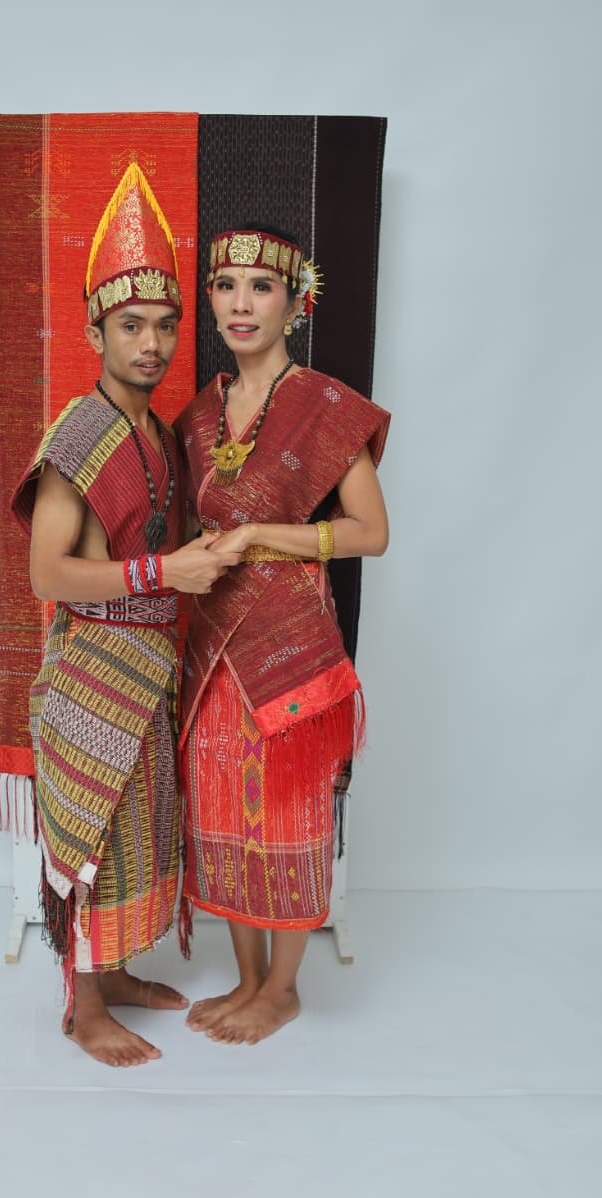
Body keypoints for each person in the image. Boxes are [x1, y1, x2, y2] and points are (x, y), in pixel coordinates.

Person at [11, 165, 239, 1068]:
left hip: (151, 663)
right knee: (92, 839)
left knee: (139, 829)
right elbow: (47, 573)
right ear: (94, 331)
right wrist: (164, 570)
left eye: (164, 325)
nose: (151, 343)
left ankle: (114, 974)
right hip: (93, 667)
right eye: (131, 325)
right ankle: (82, 1008)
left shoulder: (159, 433)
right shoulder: (79, 433)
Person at [176, 225, 391, 1045]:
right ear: (209, 299)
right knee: (220, 807)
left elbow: (369, 532)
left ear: (296, 304)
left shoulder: (324, 407)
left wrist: (261, 535)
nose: (241, 303)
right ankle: (244, 978)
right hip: (213, 643)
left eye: (260, 287)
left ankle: (282, 988)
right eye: (225, 285)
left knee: (289, 813)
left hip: (290, 637)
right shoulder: (198, 415)